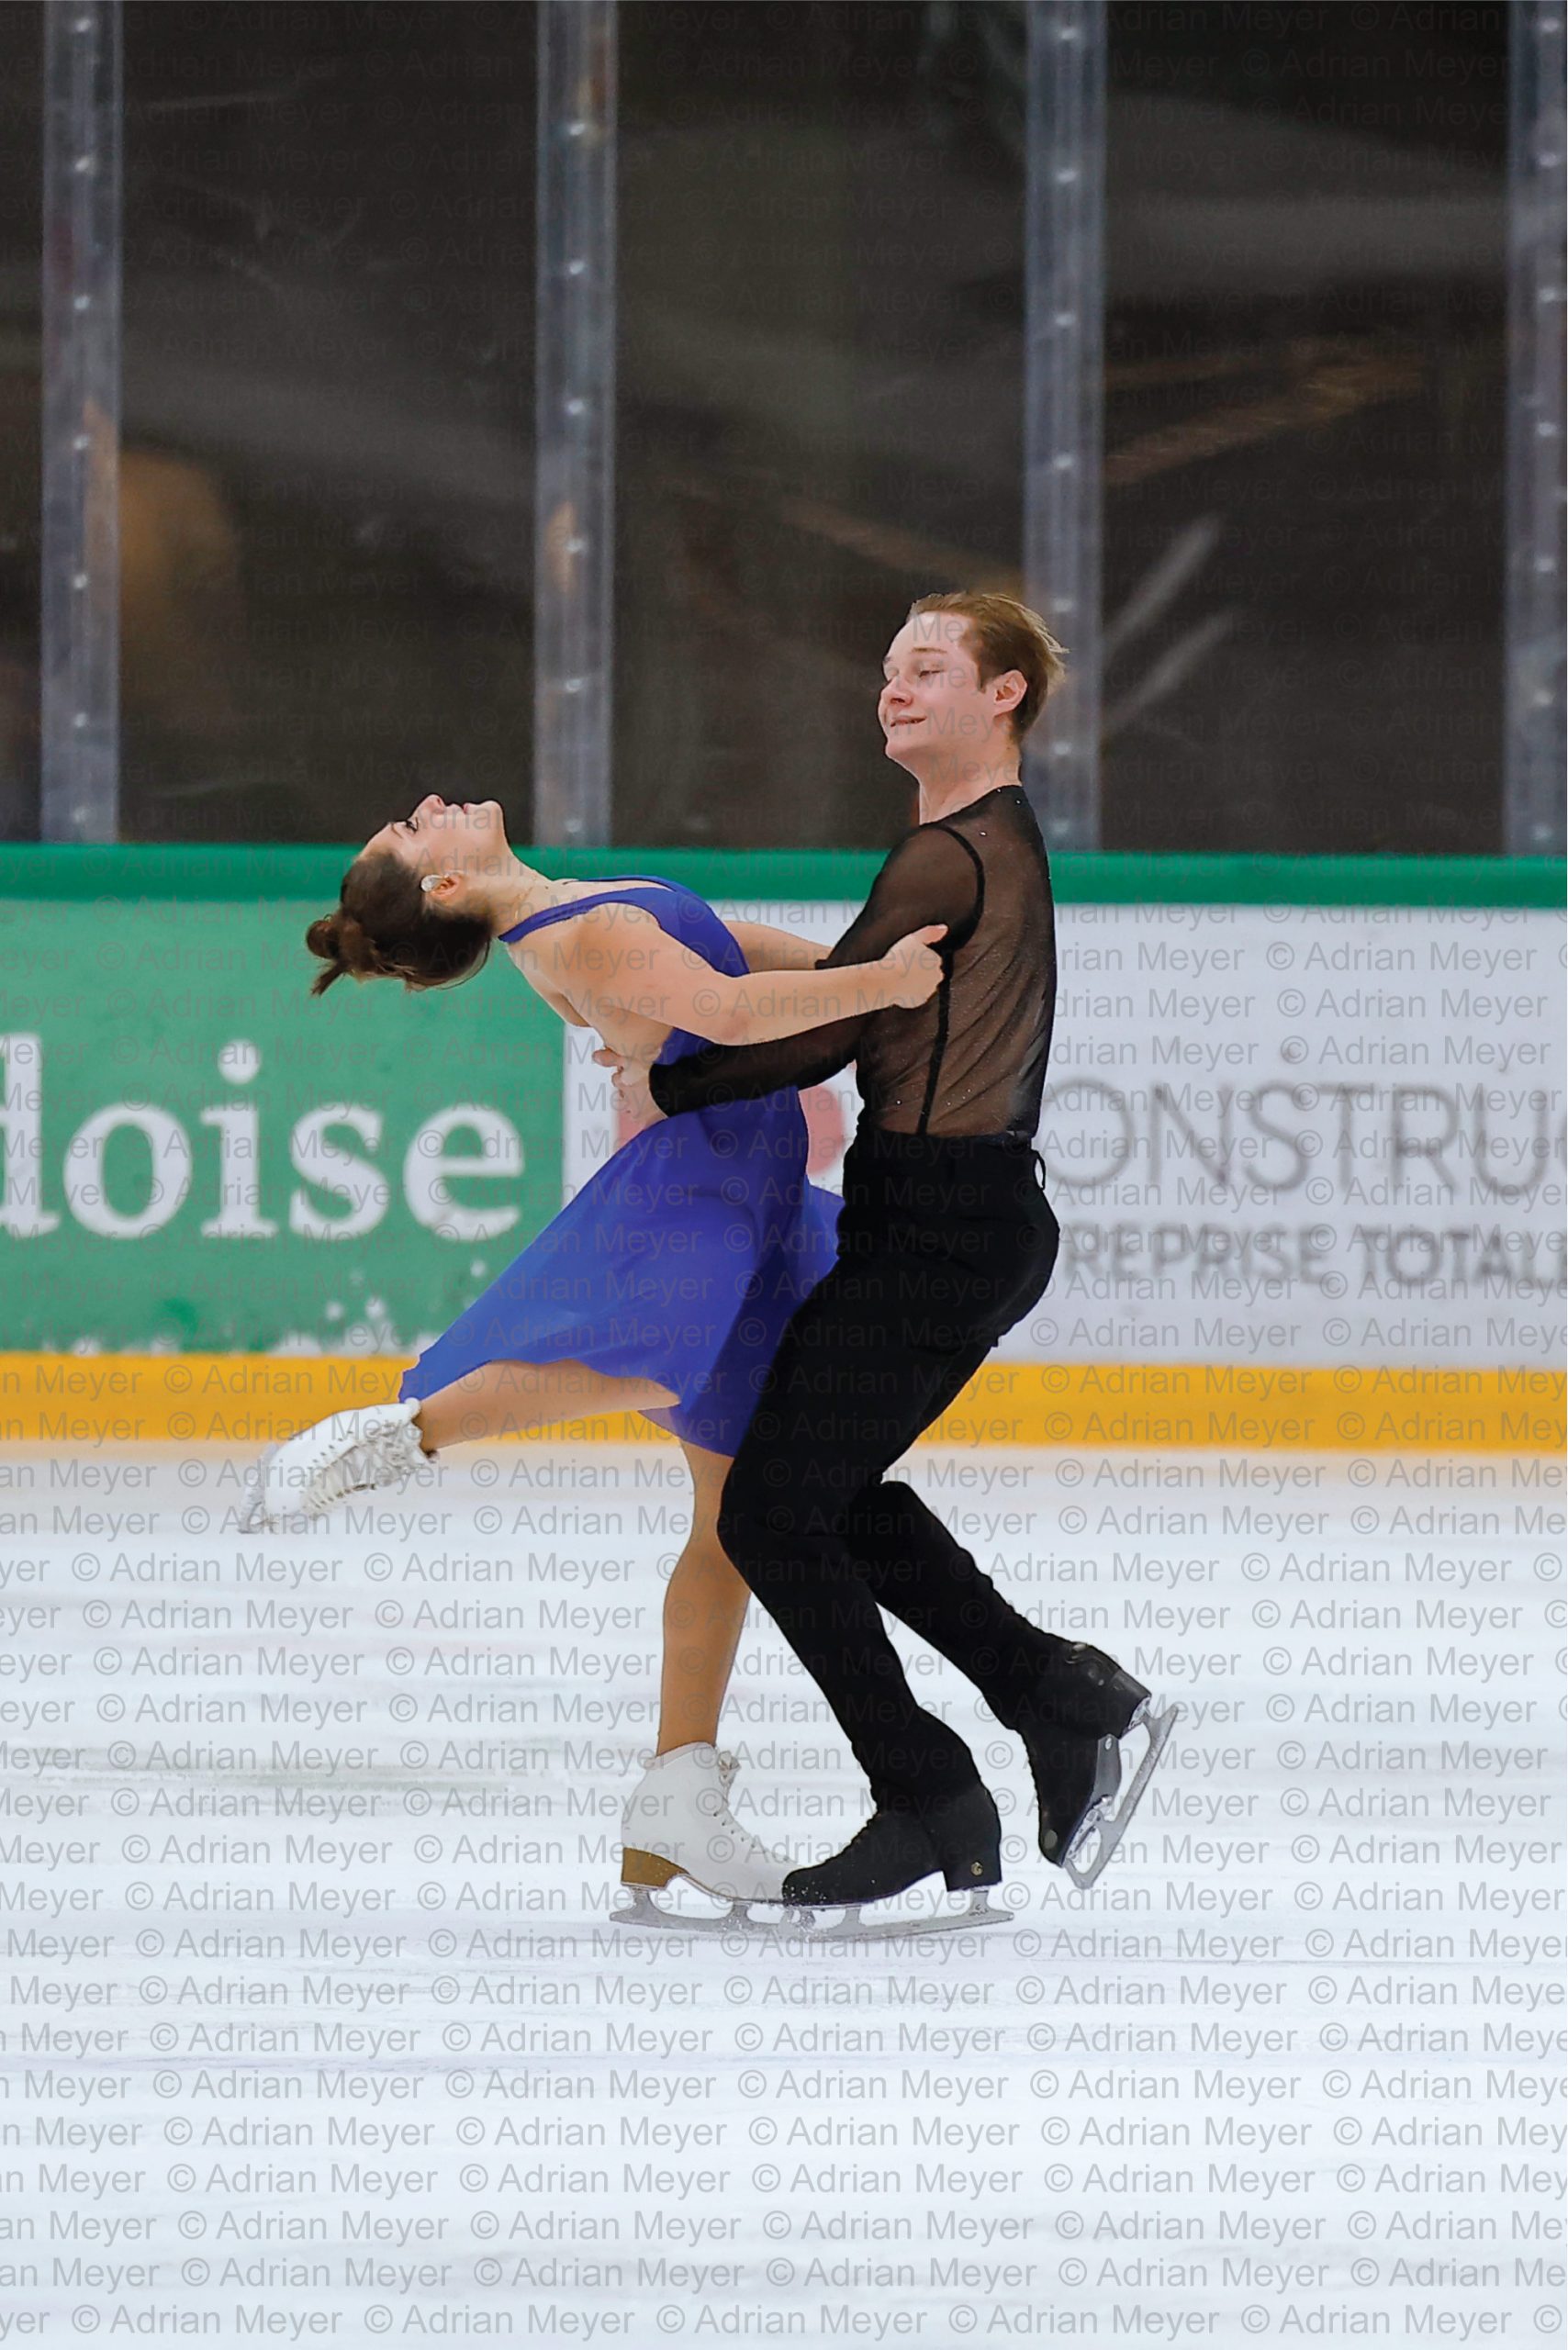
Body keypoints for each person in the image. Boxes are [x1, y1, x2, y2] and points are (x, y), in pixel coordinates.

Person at [240, 794, 946, 1911]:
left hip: (750, 1177)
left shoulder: (564, 911)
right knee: (660, 1353)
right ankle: (403, 1435)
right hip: (710, 1179)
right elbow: (731, 1007)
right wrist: (882, 986)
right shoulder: (580, 931)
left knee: (730, 1518)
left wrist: (856, 970)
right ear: (444, 886)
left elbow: (728, 949)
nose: (424, 809)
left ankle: (674, 1795)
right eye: (410, 834)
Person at [601, 593, 1177, 1913]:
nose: (894, 689)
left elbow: (829, 1029)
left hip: (942, 1230)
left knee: (768, 1510)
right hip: (947, 1222)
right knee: (828, 1494)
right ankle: (1053, 1696)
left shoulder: (952, 854)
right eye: (887, 671)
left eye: (928, 668)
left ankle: (932, 1790)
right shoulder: (974, 845)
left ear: (1005, 695)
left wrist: (664, 1079)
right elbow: (855, 999)